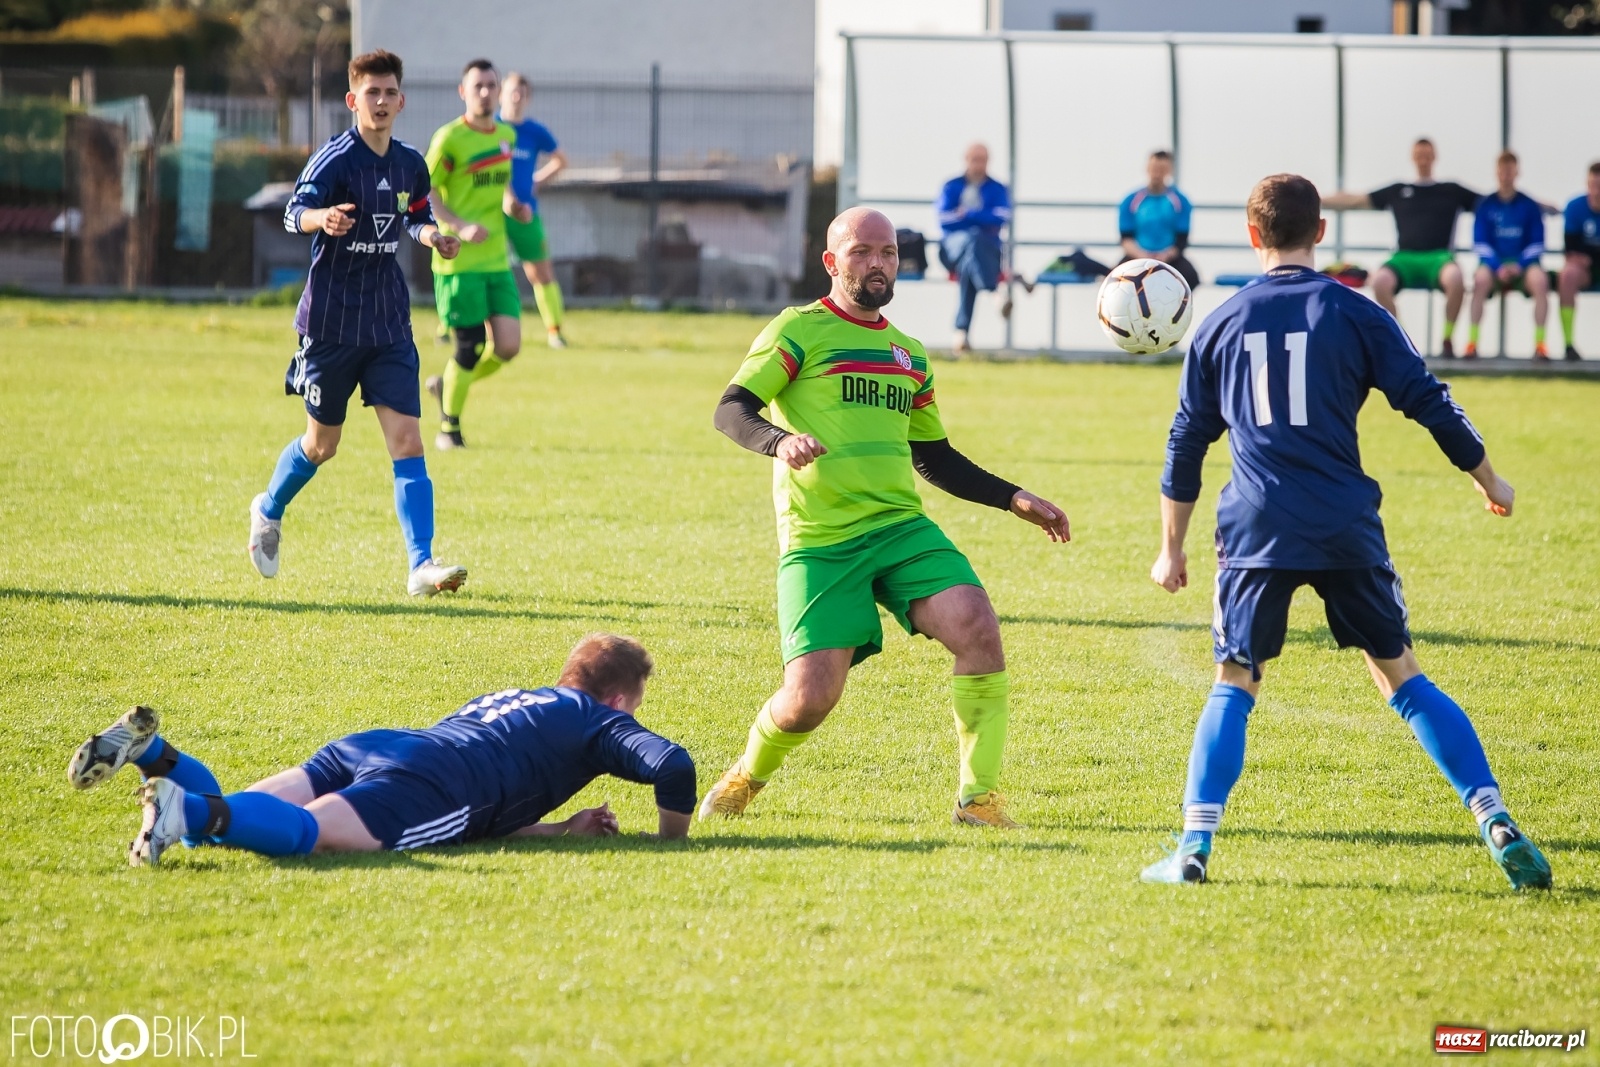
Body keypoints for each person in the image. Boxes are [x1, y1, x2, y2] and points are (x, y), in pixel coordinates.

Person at [1140, 173, 1550, 892]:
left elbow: (1185, 441)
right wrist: (1489, 479)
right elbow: (1428, 400)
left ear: (1252, 235)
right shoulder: (1355, 311)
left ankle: (1195, 845)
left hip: (1257, 528)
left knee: (1235, 680)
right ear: (1320, 232)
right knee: (1403, 676)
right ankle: (1494, 818)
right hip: (1343, 523)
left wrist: (1170, 547)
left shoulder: (1220, 323)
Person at [700, 207, 1070, 828]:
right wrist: (778, 442)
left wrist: (1014, 498)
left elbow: (933, 456)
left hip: (901, 529)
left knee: (977, 625)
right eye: (862, 251)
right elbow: (731, 409)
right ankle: (746, 773)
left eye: (890, 253)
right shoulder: (800, 329)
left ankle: (976, 800)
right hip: (821, 540)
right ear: (831, 262)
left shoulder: (908, 353)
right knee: (809, 700)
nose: (878, 263)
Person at [68, 634, 696, 865]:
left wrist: (561, 830)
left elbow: (499, 794)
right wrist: (669, 846)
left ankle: (158, 758)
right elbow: (673, 765)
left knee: (233, 823)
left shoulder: (517, 698)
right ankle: (181, 809)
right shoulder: (598, 721)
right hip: (433, 780)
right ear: (619, 701)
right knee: (301, 836)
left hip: (379, 744)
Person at [251, 49, 467, 598]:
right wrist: (321, 217)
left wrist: (432, 236)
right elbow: (291, 211)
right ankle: (269, 508)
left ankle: (421, 565)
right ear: (353, 100)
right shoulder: (335, 160)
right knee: (323, 445)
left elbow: (415, 215)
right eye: (370, 93)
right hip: (330, 323)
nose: (380, 101)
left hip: (388, 323)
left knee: (409, 441)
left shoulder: (409, 162)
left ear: (401, 99)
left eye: (389, 92)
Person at [422, 58, 532, 450]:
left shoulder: (506, 135)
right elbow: (426, 192)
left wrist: (514, 206)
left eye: (491, 85)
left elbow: (500, 188)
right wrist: (457, 225)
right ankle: (449, 429)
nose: (485, 92)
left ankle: (449, 386)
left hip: (496, 261)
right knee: (468, 348)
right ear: (463, 92)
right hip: (459, 264)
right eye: (478, 86)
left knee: (508, 347)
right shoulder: (449, 139)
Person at [1324, 138, 1478, 357]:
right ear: (1413, 158)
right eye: (1419, 155)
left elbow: (1497, 202)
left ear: (1434, 157)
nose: (1423, 159)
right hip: (1404, 258)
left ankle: (1447, 339)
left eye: (1427, 154)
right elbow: (1356, 199)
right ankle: (1401, 339)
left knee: (1456, 279)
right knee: (1379, 281)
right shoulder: (1398, 190)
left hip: (1439, 258)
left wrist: (1541, 206)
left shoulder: (1451, 190)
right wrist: (1313, 199)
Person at [499, 72, 570, 349]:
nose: (517, 97)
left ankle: (555, 331)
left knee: (540, 272)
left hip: (526, 213)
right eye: (513, 91)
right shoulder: (490, 128)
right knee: (479, 271)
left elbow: (561, 160)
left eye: (523, 93)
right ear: (502, 94)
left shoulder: (534, 131)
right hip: (491, 213)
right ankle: (451, 327)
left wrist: (538, 181)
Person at [1468, 151, 1549, 359]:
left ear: (1517, 172)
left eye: (1510, 171)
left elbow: (1537, 243)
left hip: (1522, 264)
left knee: (1540, 280)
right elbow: (1480, 243)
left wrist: (1519, 265)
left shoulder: (1529, 204)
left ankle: (1540, 345)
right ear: (1496, 173)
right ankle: (1471, 343)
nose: (1506, 175)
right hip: (1495, 264)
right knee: (1479, 280)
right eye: (1502, 171)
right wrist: (1497, 266)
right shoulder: (1486, 204)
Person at [935, 143, 1012, 354]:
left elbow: (1002, 218)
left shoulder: (997, 188)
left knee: (970, 261)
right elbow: (944, 220)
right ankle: (993, 291)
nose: (979, 164)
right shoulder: (951, 186)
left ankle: (961, 333)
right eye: (975, 159)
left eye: (983, 159)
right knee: (973, 240)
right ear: (966, 159)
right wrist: (980, 220)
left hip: (986, 251)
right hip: (952, 250)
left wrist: (966, 214)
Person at [1118, 150, 1200, 289]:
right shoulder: (1131, 200)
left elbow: (1182, 239)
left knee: (1192, 277)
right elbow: (1126, 238)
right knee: (1113, 278)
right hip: (1137, 256)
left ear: (1169, 171)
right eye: (1154, 168)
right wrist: (1142, 256)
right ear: (1147, 168)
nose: (1157, 173)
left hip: (1169, 258)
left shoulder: (1180, 201)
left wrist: (1164, 256)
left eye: (1162, 169)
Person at [1557, 161, 1600, 361]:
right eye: (1593, 185)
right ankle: (1568, 344)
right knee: (1568, 274)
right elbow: (1571, 250)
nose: (1597, 191)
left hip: (1592, 263)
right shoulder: (1575, 207)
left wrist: (1588, 254)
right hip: (1586, 270)